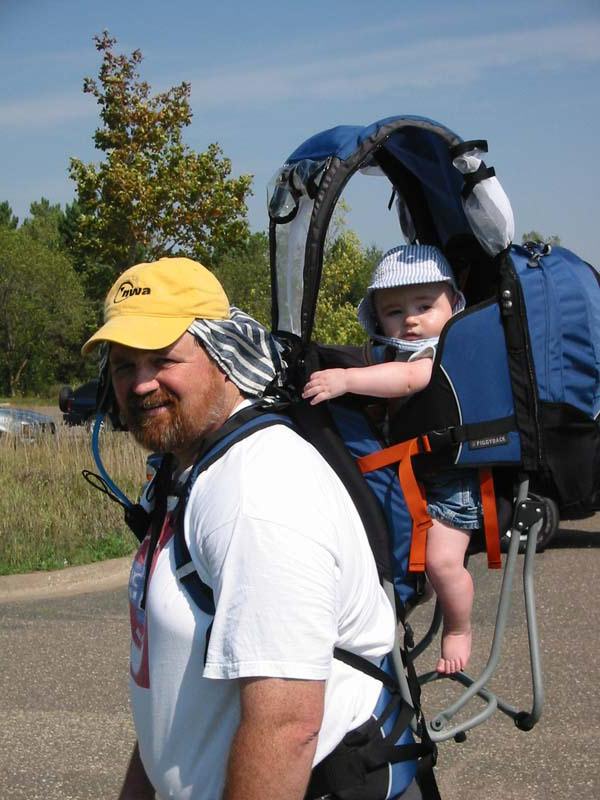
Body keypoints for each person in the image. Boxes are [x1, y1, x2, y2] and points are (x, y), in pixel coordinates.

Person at [81, 257, 417, 800]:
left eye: (163, 358)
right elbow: (173, 706)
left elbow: (285, 728)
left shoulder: (257, 492)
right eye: (123, 365)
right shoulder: (189, 474)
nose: (141, 384)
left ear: (222, 354)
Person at [303, 245, 482, 675]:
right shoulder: (393, 352)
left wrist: (346, 379)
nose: (412, 319)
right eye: (395, 311)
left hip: (451, 484)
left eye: (425, 305)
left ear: (453, 305)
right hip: (415, 475)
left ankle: (459, 627)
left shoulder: (439, 352)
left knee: (443, 562)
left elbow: (408, 380)